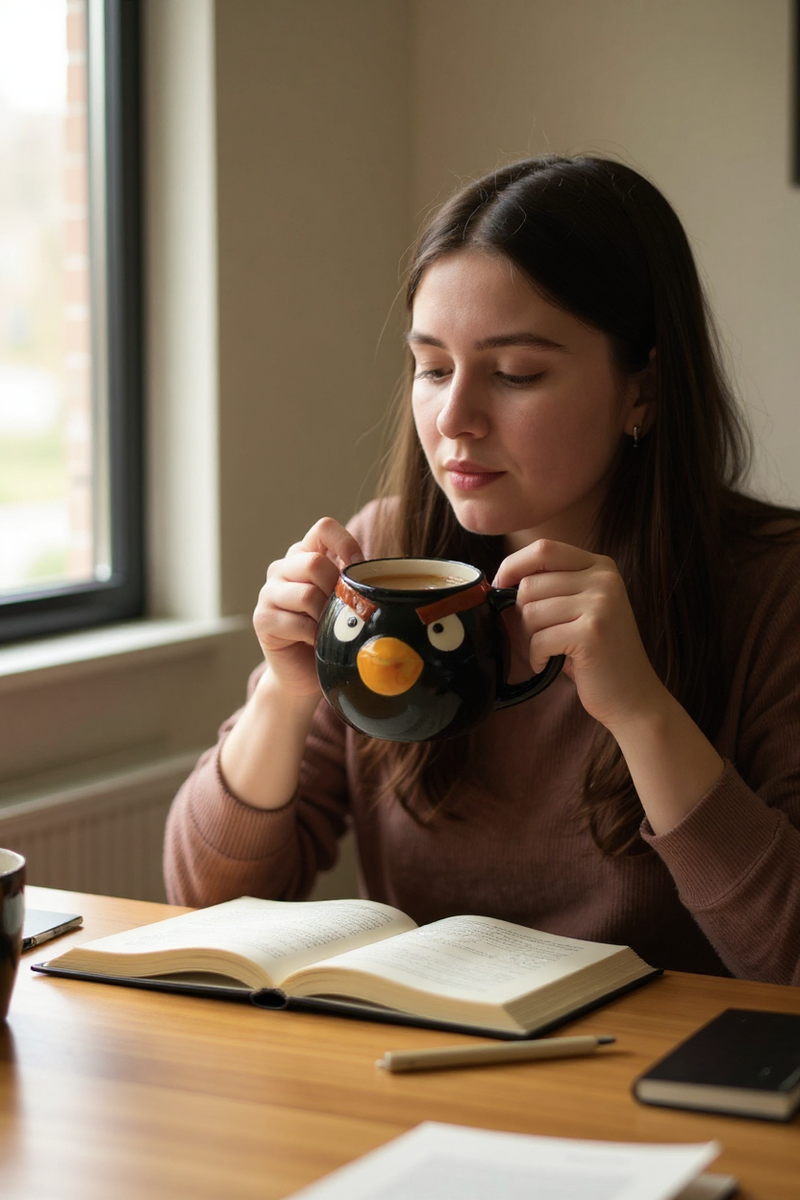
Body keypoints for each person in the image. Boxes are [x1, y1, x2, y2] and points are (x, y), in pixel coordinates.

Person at [164, 154, 800, 986]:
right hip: (419, 1073)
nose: (455, 419)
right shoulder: (386, 559)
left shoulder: (772, 588)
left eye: (515, 374)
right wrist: (284, 696)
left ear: (643, 391)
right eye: (432, 368)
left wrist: (644, 713)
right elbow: (203, 902)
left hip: (661, 1091)